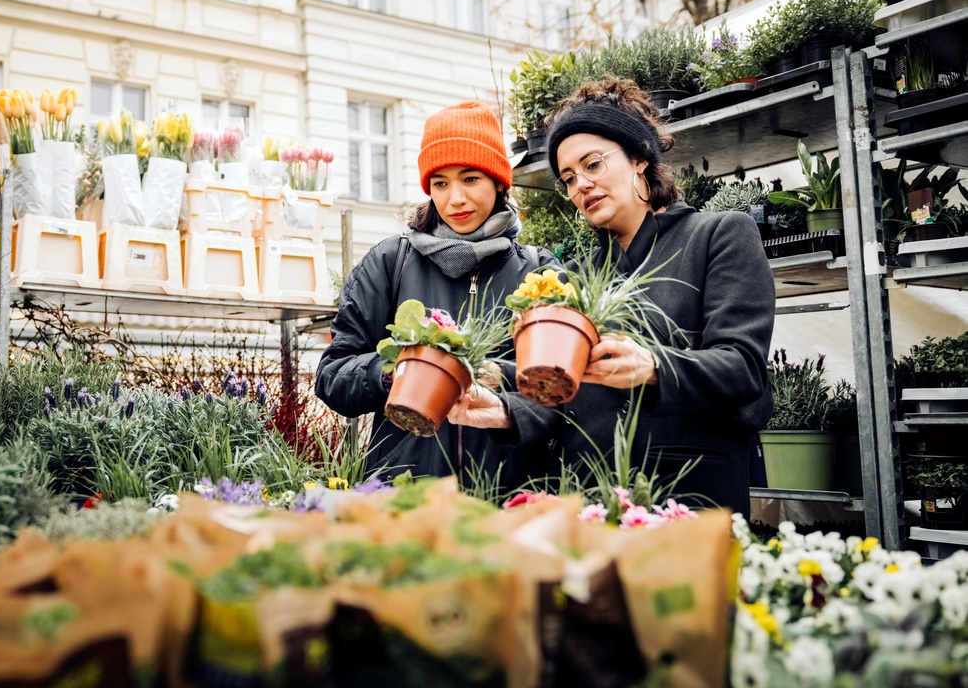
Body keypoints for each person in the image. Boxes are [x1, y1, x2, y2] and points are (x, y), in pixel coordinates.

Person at [448, 79, 775, 514]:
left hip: (687, 494)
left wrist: (653, 366)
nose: (581, 184)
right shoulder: (572, 277)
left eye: (593, 164)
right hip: (590, 496)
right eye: (568, 177)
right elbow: (567, 389)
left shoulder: (717, 236)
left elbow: (742, 368)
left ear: (639, 158)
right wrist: (504, 404)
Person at [314, 100, 560, 494]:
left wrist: (498, 377)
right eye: (440, 183)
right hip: (407, 500)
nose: (455, 199)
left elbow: (562, 392)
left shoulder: (537, 273)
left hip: (509, 500)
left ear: (499, 182)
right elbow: (332, 376)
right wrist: (394, 371)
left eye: (470, 179)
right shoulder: (389, 263)